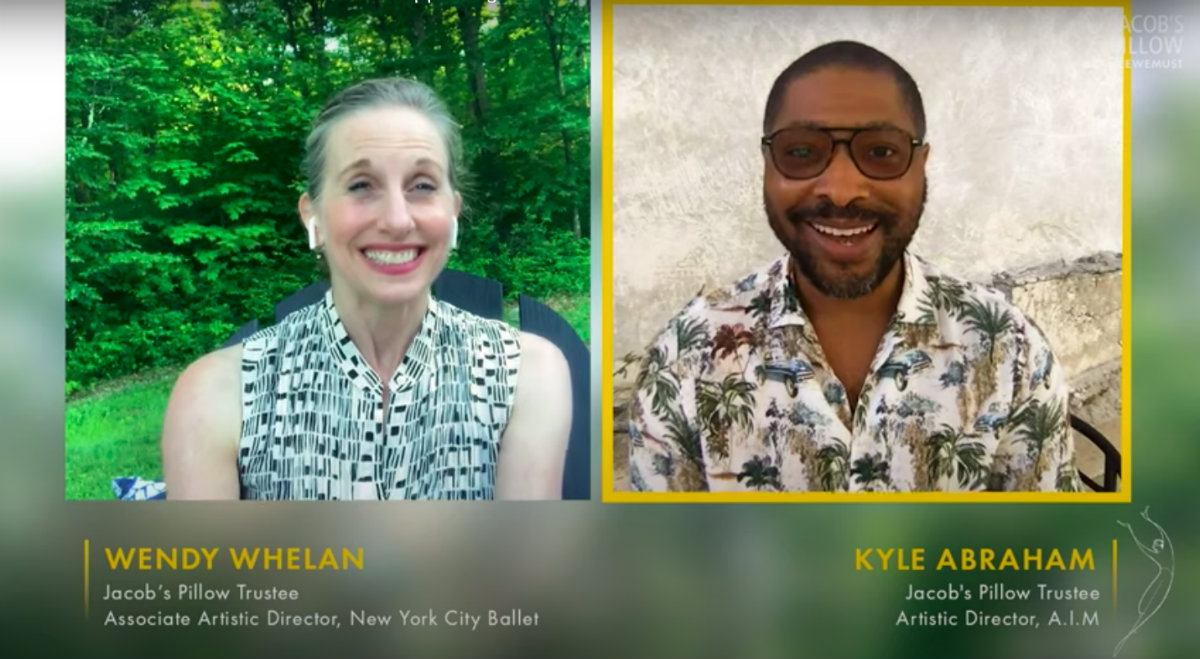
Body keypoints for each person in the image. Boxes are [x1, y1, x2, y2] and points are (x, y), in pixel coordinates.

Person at [627, 41, 1080, 493]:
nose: (842, 189)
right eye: (802, 152)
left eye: (881, 152)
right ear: (767, 164)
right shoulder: (687, 355)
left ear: (922, 167)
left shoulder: (1008, 348)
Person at [162, 77, 572, 500]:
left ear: (452, 212)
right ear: (312, 215)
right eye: (361, 185)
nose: (397, 220)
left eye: (423, 186)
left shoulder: (523, 374)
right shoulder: (218, 395)